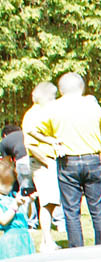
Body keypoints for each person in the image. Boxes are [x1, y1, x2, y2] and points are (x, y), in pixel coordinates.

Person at [35, 72, 101, 247]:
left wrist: (52, 141)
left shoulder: (53, 107)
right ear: (82, 88)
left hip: (67, 162)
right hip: (92, 160)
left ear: (61, 90)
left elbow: (34, 130)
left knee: (71, 211)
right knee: (98, 210)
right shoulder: (92, 106)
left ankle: (77, 249)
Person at [21, 82, 62, 252]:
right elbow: (31, 145)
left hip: (46, 161)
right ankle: (46, 241)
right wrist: (48, 163)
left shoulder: (38, 113)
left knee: (51, 203)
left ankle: (47, 240)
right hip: (42, 163)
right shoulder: (34, 115)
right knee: (47, 202)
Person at [0, 160, 36, 260]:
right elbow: (3, 220)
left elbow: (27, 216)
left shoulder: (13, 196)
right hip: (11, 242)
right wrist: (15, 205)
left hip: (25, 237)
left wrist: (29, 202)